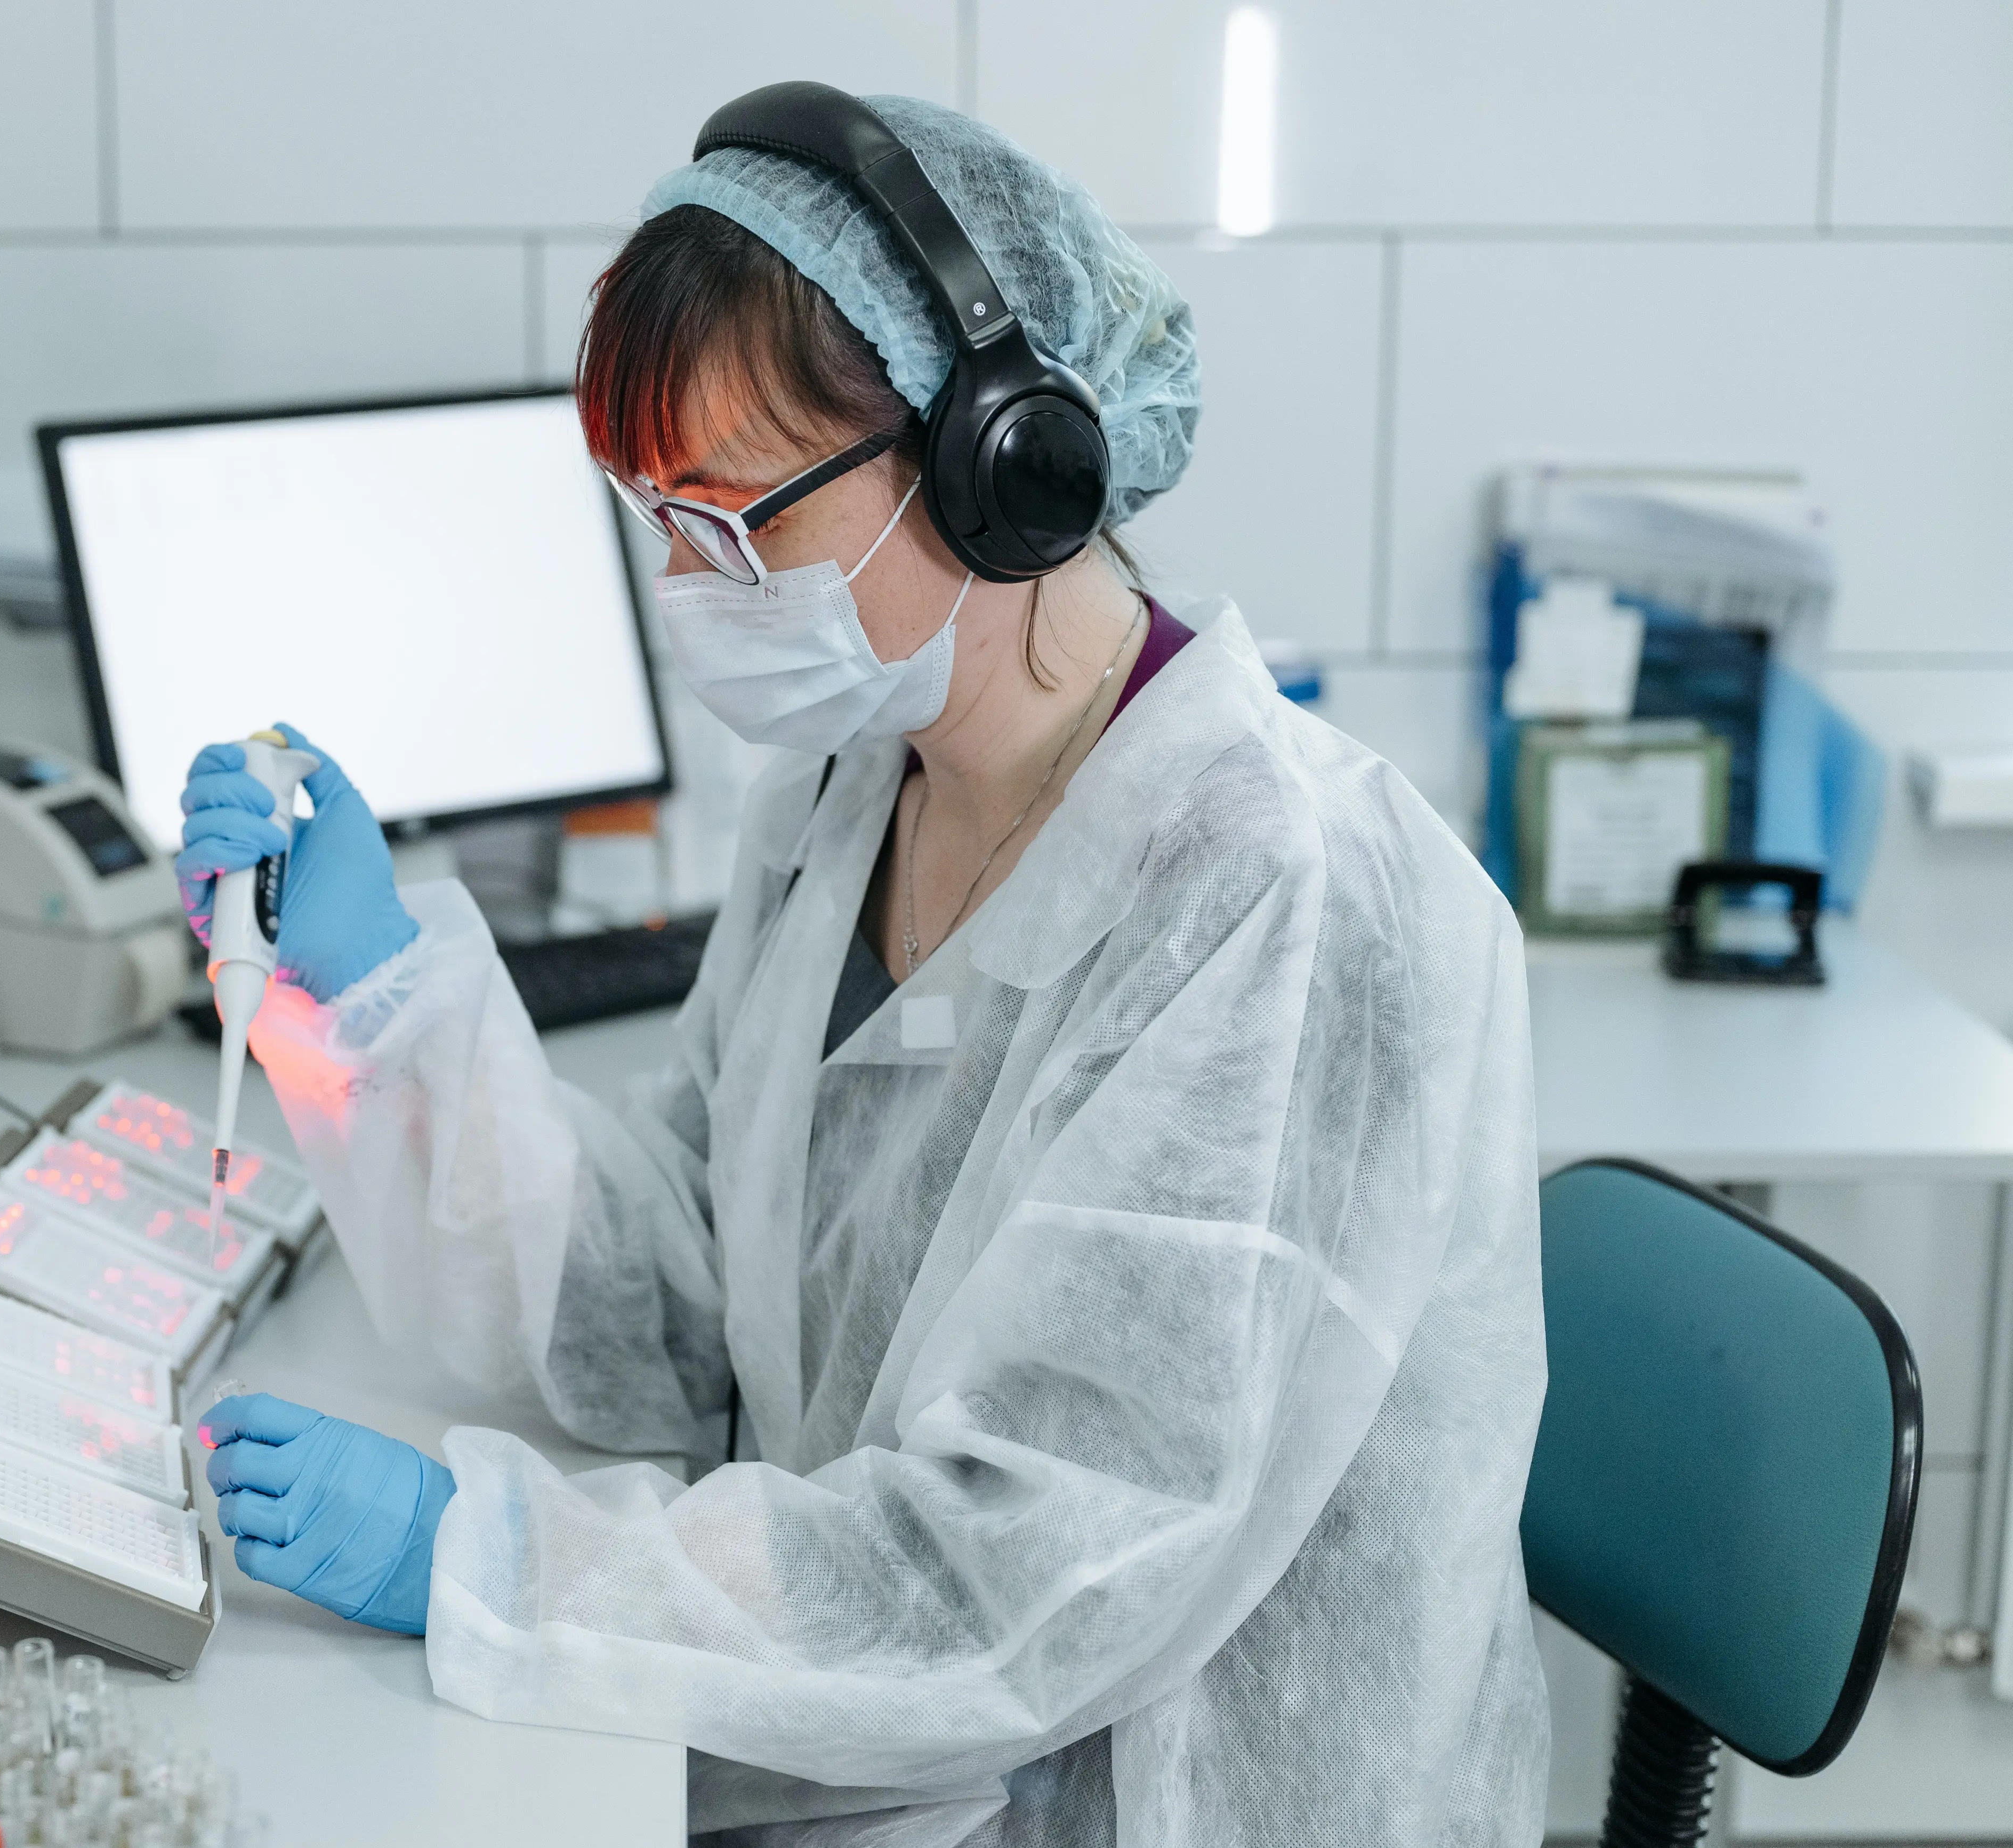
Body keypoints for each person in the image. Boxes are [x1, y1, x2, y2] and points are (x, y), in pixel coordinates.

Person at [173, 90, 1547, 1847]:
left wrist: (488, 1557)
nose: (689, 584)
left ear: (1001, 469)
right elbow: (681, 1313)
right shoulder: (848, 790)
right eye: (659, 518)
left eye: (736, 521)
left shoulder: (1293, 899)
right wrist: (379, 1002)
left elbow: (1024, 1583)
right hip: (860, 1751)